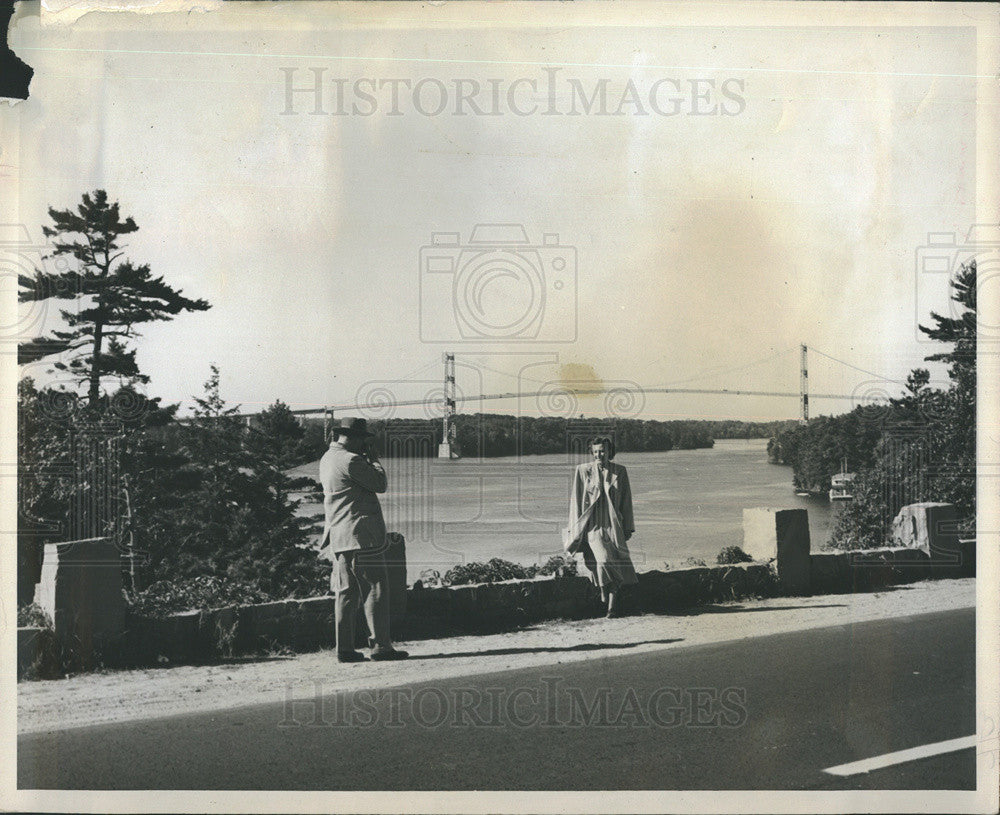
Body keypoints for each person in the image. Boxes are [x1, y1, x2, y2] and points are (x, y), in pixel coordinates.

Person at [319, 417, 408, 662]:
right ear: (356, 438)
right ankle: (381, 646)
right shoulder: (352, 460)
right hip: (361, 536)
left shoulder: (327, 458)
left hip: (339, 535)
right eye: (363, 440)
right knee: (375, 589)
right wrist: (374, 459)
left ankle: (344, 649)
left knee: (345, 592)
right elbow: (380, 484)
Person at [564, 436, 638, 618]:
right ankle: (604, 590)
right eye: (595, 451)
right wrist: (575, 529)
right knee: (603, 560)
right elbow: (576, 500)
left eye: (602, 451)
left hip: (614, 525)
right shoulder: (582, 471)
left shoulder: (620, 471)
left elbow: (626, 501)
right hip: (593, 525)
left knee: (615, 563)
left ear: (609, 452)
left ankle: (612, 607)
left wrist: (628, 527)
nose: (599, 454)